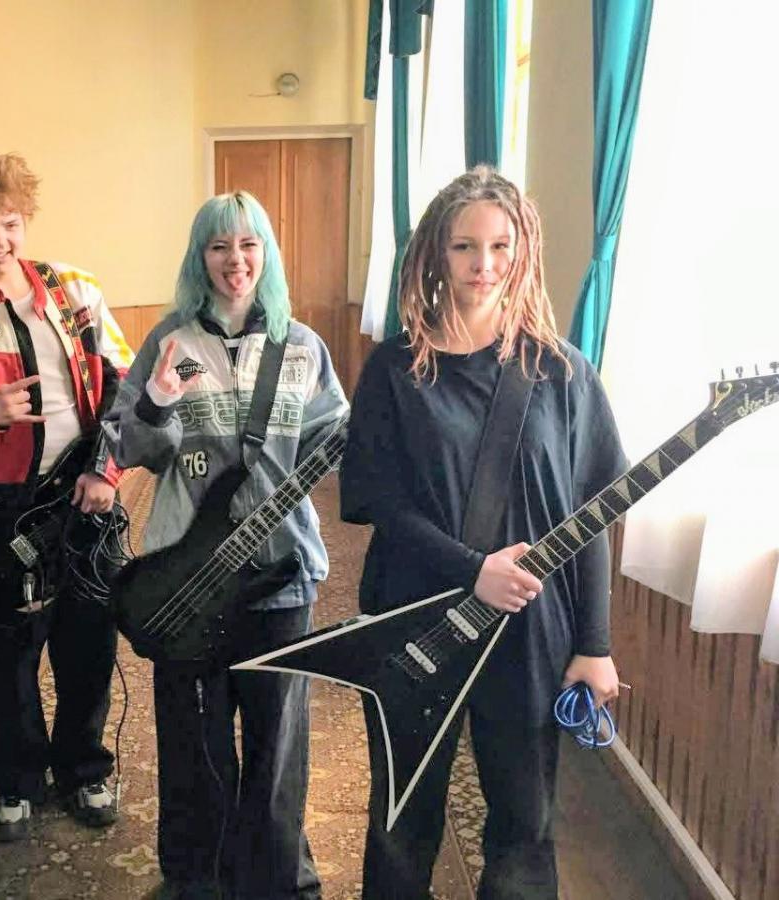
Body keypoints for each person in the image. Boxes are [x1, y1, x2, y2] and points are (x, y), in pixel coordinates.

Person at [341, 166, 627, 900]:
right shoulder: (396, 368)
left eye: (500, 246)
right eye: (465, 246)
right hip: (413, 614)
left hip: (531, 628)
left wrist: (594, 644)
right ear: (436, 253)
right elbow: (379, 503)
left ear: (522, 251)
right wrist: (473, 569)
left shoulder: (563, 373)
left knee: (524, 822)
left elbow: (589, 517)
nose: (483, 264)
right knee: (403, 813)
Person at [103, 190, 348, 900]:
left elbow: (337, 435)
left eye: (248, 244)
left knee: (277, 741)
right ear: (199, 257)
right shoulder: (172, 343)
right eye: (219, 246)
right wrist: (155, 402)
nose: (234, 260)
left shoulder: (302, 348)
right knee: (192, 741)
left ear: (265, 253)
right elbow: (130, 446)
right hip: (186, 572)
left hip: (282, 573)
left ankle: (276, 877)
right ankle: (195, 876)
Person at [0, 147, 133, 841]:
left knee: (89, 644)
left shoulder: (76, 289)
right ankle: (16, 782)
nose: (0, 241)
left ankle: (84, 770)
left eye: (10, 223)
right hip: (5, 511)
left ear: (26, 219)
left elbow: (127, 391)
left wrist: (106, 471)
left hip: (86, 496)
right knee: (10, 657)